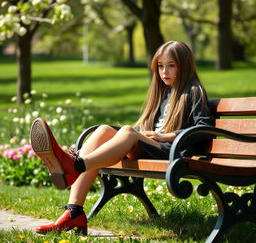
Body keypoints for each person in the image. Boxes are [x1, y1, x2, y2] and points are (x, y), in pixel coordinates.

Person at [30, 40, 214, 235]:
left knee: (127, 131)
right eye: (160, 66)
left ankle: (74, 165)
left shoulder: (194, 91)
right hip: (153, 147)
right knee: (103, 130)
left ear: (184, 66)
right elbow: (148, 127)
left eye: (171, 65)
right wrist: (142, 134)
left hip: (171, 151)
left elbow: (205, 128)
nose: (164, 72)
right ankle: (74, 212)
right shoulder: (165, 91)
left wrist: (168, 136)